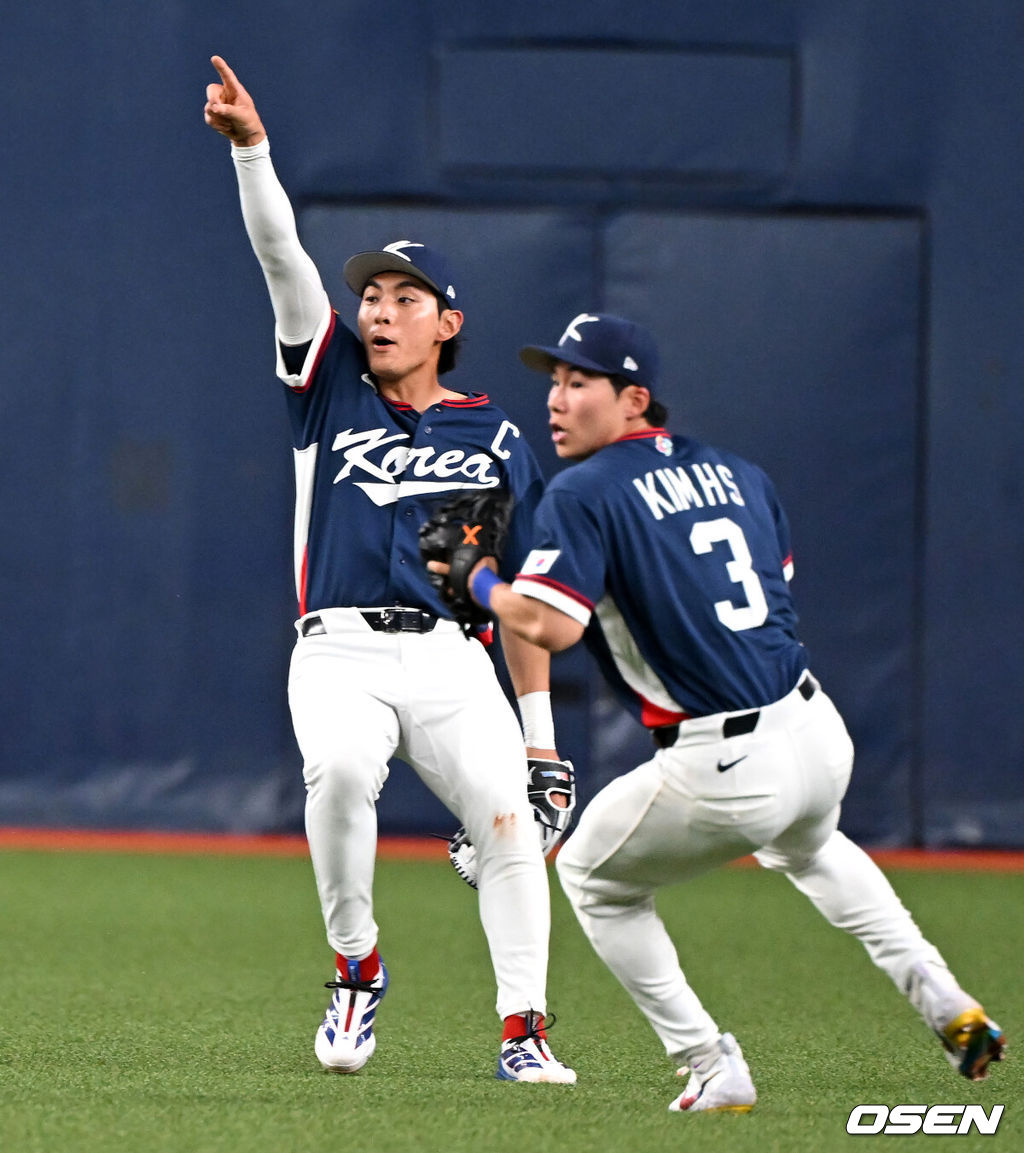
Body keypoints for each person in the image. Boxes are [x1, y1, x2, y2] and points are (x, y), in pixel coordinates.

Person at [428, 311, 1006, 1111]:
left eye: (579, 382)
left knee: (593, 876)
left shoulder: (585, 490)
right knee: (812, 847)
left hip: (724, 756)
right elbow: (774, 585)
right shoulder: (738, 472)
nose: (556, 400)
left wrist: (480, 579)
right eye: (554, 381)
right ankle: (948, 1003)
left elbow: (552, 627)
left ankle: (710, 1062)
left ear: (634, 398)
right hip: (815, 728)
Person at [202, 55, 575, 1085]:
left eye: (406, 297)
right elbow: (281, 258)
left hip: (454, 657)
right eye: (370, 293)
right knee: (338, 774)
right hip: (339, 650)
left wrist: (541, 739)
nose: (378, 308)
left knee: (507, 820)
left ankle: (524, 1030)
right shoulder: (326, 385)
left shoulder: (498, 435)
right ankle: (357, 966)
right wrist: (252, 151)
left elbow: (526, 602)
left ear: (448, 325)